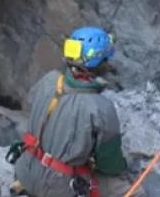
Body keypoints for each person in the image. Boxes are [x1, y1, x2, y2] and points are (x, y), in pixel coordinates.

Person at [10, 27, 142, 197]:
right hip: (57, 188)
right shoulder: (100, 107)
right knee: (135, 191)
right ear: (100, 62)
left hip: (26, 171)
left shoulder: (49, 79)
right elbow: (109, 164)